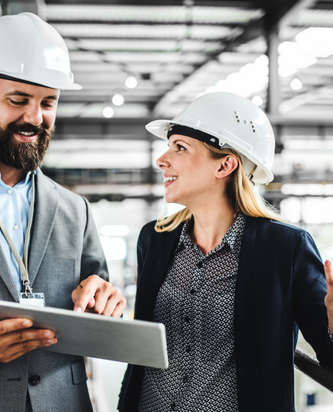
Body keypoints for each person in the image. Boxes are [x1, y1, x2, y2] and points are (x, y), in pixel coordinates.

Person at [0, 12, 125, 412]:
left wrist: (105, 301)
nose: (35, 118)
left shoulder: (74, 210)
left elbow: (97, 297)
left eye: (48, 102)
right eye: (18, 101)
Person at [118, 91, 333, 412]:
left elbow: (328, 356)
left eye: (179, 147)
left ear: (225, 165)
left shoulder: (286, 248)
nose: (162, 160)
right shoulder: (154, 239)